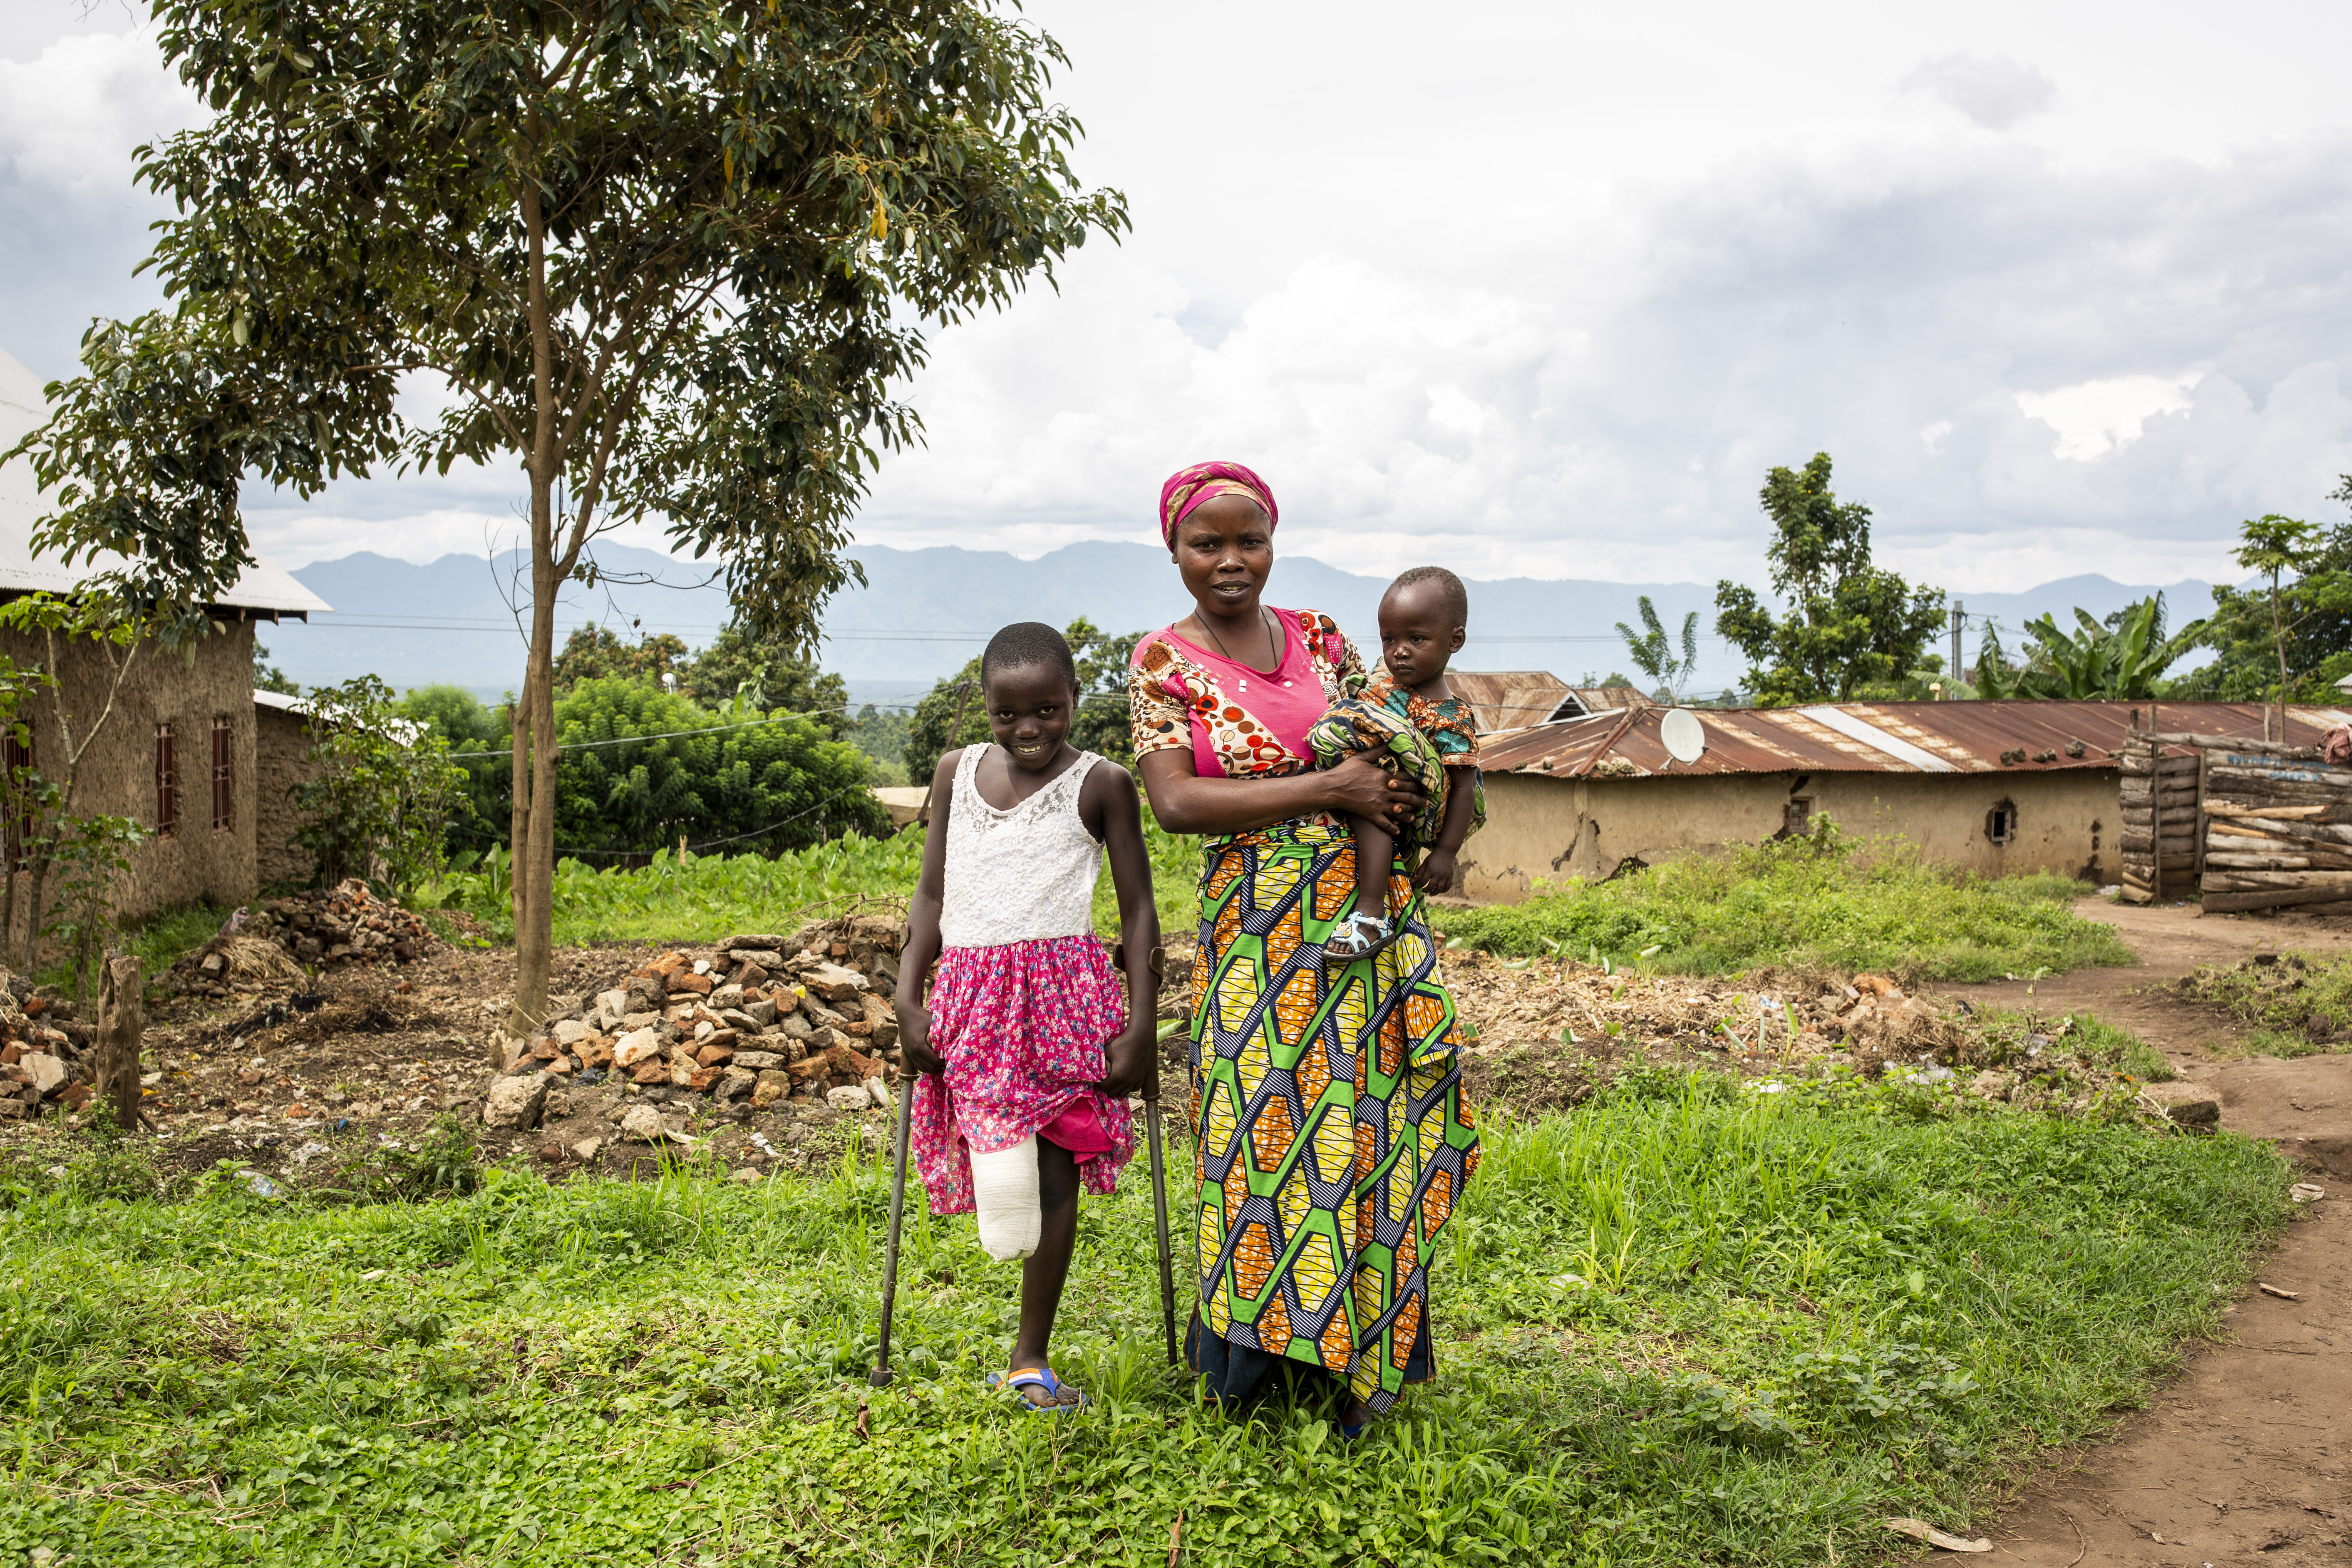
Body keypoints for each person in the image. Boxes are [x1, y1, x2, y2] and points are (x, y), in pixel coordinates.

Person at [1128, 459, 1481, 1437]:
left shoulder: (1324, 637)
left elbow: (1402, 735)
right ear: (1176, 551)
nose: (1232, 561)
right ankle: (1256, 1371)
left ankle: (1363, 1364)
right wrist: (1330, 790)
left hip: (1361, 914)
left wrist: (1415, 802)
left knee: (1365, 1127)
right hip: (1256, 919)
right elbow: (1176, 802)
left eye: (1250, 541)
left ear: (1273, 543)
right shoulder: (1162, 662)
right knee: (1259, 1129)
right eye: (1209, 544)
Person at [896, 621, 1161, 1414]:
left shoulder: (1102, 782)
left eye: (1048, 709)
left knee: (1052, 1173)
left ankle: (1029, 1355)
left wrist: (1142, 1023)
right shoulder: (953, 772)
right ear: (984, 707)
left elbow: (1139, 909)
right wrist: (908, 996)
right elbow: (931, 894)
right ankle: (1022, 1339)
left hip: (1062, 999)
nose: (1030, 729)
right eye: (1009, 714)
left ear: (1077, 698)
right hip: (972, 1000)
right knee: (1000, 1176)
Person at [1307, 565, 1486, 965]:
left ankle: (1371, 912)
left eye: (1416, 639)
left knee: (1379, 793)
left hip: (1398, 805)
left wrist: (1445, 854)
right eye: (1389, 639)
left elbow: (1463, 788)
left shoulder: (1451, 718)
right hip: (1344, 804)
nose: (1399, 650)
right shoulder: (1380, 684)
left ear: (1455, 641)